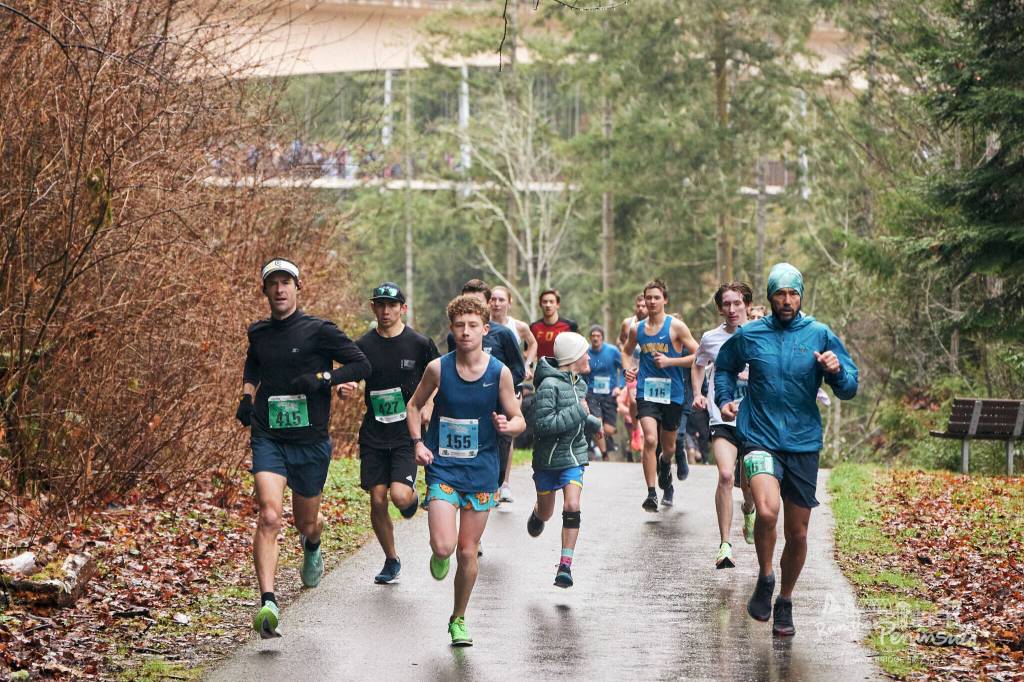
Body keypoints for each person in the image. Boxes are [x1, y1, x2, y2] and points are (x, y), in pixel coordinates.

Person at [716, 263, 858, 637]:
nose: (786, 300)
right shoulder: (751, 334)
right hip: (760, 436)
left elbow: (849, 387)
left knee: (798, 534)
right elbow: (725, 367)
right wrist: (725, 398)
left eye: (793, 293)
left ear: (801, 296)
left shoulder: (819, 334)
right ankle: (766, 576)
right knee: (766, 510)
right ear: (769, 296)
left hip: (802, 443)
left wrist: (836, 371)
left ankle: (785, 599)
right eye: (780, 293)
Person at [238, 258, 371, 639]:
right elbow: (253, 364)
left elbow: (361, 365)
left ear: (298, 287)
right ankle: (268, 603)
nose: (280, 289)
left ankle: (312, 543)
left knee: (305, 522)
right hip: (269, 436)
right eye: (273, 283)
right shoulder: (259, 332)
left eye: (286, 282)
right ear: (265, 290)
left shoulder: (319, 330)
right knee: (269, 516)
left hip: (310, 441)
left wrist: (324, 378)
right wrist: (246, 396)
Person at [407, 295, 525, 647]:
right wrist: (418, 443)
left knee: (467, 551)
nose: (466, 332)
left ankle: (458, 618)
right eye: (459, 325)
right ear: (451, 329)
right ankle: (438, 552)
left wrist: (508, 426)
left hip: (482, 472)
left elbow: (519, 419)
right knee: (445, 547)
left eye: (473, 325)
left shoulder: (499, 373)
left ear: (485, 329)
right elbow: (413, 406)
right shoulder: (437, 369)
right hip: (443, 469)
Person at [338, 282, 439, 585]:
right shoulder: (362, 346)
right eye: (380, 305)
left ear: (402, 308)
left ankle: (411, 498)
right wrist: (346, 387)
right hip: (374, 433)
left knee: (399, 496)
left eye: (392, 305)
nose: (385, 311)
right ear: (373, 307)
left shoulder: (419, 344)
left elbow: (437, 377)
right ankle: (391, 559)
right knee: (378, 499)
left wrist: (428, 405)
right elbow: (350, 377)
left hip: (407, 433)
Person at [526, 333, 601, 588]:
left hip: (574, 456)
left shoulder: (580, 384)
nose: (588, 357)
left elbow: (578, 415)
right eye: (584, 353)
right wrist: (580, 411)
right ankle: (538, 513)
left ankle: (565, 566)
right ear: (573, 357)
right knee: (547, 512)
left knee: (572, 504)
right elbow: (543, 425)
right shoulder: (549, 386)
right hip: (547, 460)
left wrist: (593, 423)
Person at [691, 282, 757, 570]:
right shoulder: (711, 338)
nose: (732, 309)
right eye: (726, 304)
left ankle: (749, 510)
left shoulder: (760, 334)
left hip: (754, 419)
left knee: (750, 481)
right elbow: (698, 363)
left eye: (737, 303)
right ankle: (725, 545)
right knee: (727, 475)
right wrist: (698, 392)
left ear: (747, 305)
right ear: (720, 308)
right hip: (722, 417)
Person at [446, 280, 526, 504]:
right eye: (466, 301)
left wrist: (501, 388)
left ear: (488, 304)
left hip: (497, 406)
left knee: (498, 457)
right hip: (465, 407)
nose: (470, 305)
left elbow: (518, 370)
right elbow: (452, 366)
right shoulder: (455, 336)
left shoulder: (503, 334)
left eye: (476, 301)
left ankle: (498, 485)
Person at [622, 280, 699, 511]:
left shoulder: (676, 327)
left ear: (665, 300)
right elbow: (626, 352)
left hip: (672, 394)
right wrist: (628, 369)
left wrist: (670, 361)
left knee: (669, 449)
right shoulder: (637, 329)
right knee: (650, 439)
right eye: (648, 297)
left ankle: (665, 465)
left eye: (656, 297)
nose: (652, 301)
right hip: (646, 391)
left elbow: (699, 356)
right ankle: (651, 493)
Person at [489, 285, 538, 501]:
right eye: (493, 299)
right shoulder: (482, 325)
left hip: (511, 384)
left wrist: (527, 364)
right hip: (487, 383)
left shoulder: (518, 326)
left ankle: (505, 483)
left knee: (507, 431)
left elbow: (533, 343)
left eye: (501, 299)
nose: (496, 303)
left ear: (509, 302)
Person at [584, 325, 624, 460]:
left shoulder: (612, 351)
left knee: (609, 429)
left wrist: (620, 386)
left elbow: (623, 369)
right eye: (593, 336)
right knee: (597, 423)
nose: (595, 338)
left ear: (602, 337)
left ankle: (606, 438)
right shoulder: (586, 352)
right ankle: (605, 454)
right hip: (592, 393)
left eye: (598, 336)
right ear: (590, 338)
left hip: (609, 394)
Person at [530, 289, 578, 361]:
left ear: (557, 305)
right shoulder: (533, 328)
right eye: (545, 302)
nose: (548, 305)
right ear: (540, 305)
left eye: (551, 302)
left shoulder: (570, 326)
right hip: (541, 367)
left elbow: (577, 351)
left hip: (563, 367)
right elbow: (527, 352)